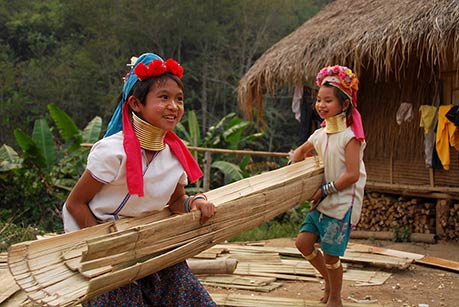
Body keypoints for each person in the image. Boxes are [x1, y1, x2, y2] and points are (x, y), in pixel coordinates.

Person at [62, 52, 217, 307]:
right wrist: (107, 247)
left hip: (148, 241)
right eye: (163, 97)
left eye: (179, 99)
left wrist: (195, 202)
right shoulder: (111, 152)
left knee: (189, 296)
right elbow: (75, 204)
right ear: (135, 104)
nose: (174, 106)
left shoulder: (175, 156)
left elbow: (177, 200)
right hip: (98, 243)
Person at [290, 65, 366, 307]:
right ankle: (329, 279)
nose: (321, 105)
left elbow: (352, 175)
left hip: (342, 202)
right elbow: (300, 153)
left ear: (344, 105)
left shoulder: (350, 137)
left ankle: (335, 297)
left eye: (328, 101)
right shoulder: (320, 134)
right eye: (319, 100)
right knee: (303, 243)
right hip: (321, 200)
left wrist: (323, 189)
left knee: (332, 256)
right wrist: (294, 170)